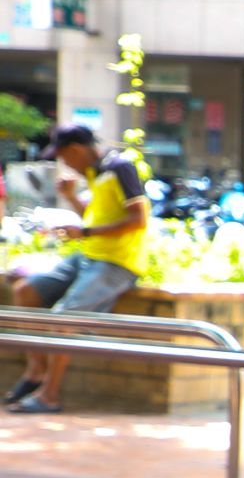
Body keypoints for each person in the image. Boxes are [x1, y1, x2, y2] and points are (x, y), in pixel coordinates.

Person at [6, 125, 150, 414]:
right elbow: (97, 217)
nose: (66, 164)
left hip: (116, 262)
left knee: (64, 318)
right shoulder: (95, 173)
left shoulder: (121, 167)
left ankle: (50, 395)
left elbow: (139, 220)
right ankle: (35, 373)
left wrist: (85, 231)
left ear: (75, 150)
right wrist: (72, 199)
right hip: (89, 255)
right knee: (26, 293)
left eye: (64, 157)